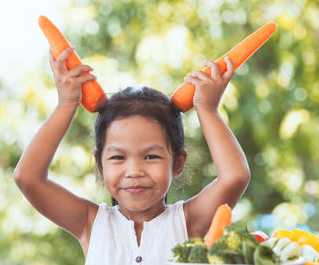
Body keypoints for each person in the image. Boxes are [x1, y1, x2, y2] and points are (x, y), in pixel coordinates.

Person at [13, 46, 250, 264]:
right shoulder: (90, 223)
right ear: (100, 164)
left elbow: (234, 177)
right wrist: (66, 104)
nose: (134, 171)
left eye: (151, 157)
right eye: (118, 158)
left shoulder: (188, 221)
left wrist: (207, 109)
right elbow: (28, 178)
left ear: (178, 163)